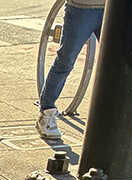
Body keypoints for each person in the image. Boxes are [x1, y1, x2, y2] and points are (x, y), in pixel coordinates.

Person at [36, 0, 104, 142]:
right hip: (81, 8)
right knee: (65, 61)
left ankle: (113, 118)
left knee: (118, 65)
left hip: (113, 10)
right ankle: (46, 111)